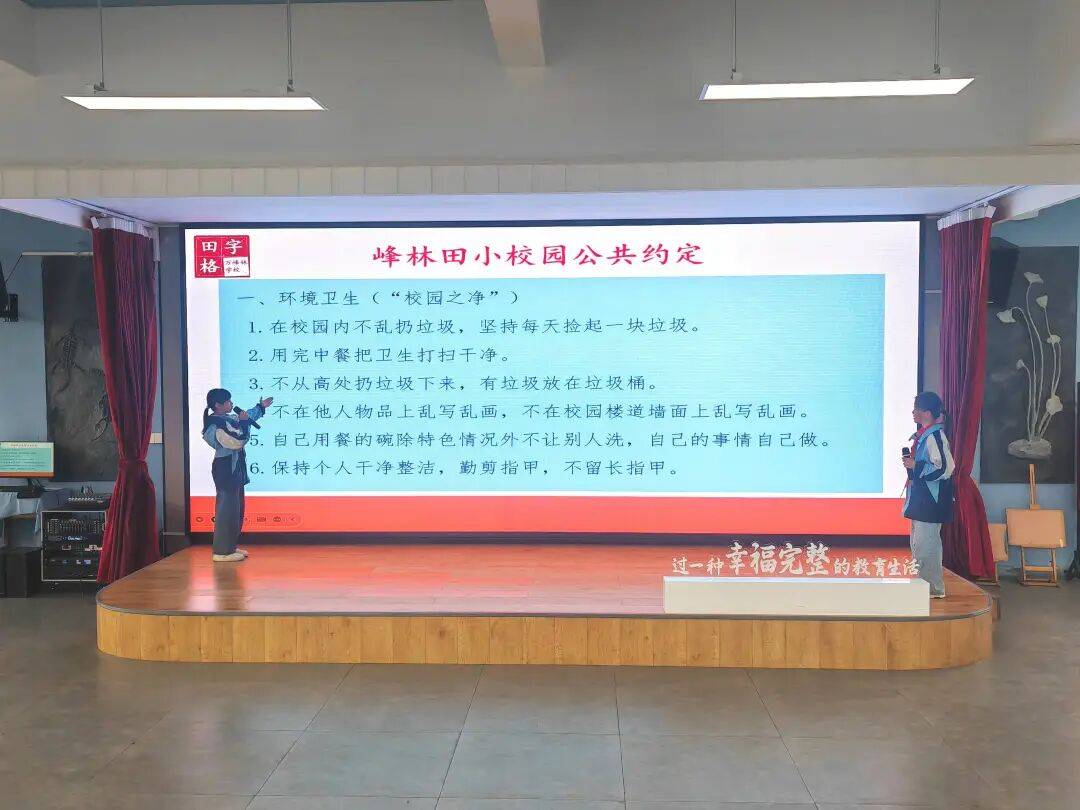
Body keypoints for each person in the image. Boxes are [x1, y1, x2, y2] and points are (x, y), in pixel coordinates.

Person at [202, 388, 273, 562]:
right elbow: (237, 441)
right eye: (228, 401)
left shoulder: (227, 418)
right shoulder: (216, 424)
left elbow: (244, 417)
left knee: (236, 509)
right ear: (218, 405)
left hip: (235, 468)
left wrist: (260, 407)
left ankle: (230, 547)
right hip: (226, 469)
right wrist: (244, 423)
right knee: (227, 510)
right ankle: (221, 552)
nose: (231, 404)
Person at [902, 391, 954, 598]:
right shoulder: (924, 435)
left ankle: (933, 589)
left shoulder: (935, 436)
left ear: (926, 412)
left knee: (927, 546)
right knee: (918, 545)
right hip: (921, 498)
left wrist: (915, 465)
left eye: (916, 408)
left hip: (931, 501)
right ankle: (923, 587)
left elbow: (946, 468)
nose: (913, 412)